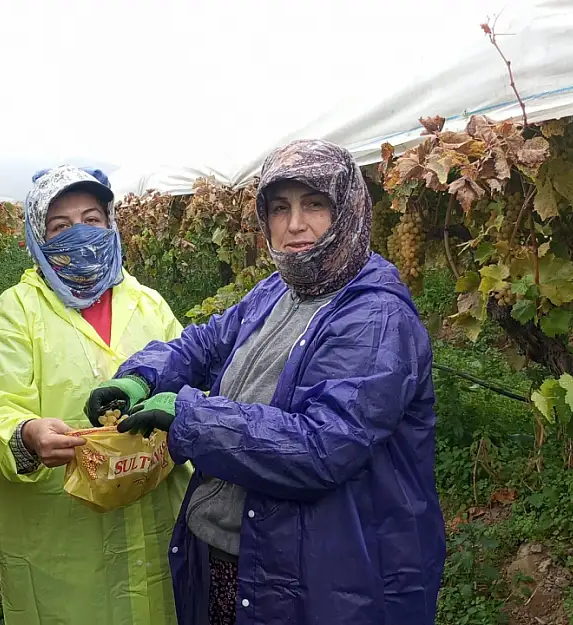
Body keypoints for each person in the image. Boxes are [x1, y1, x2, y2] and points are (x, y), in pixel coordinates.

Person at [85, 140, 446, 625]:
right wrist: (140, 378)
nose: (295, 224)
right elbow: (207, 343)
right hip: (244, 557)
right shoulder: (281, 289)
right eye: (280, 208)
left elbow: (321, 447)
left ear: (351, 210)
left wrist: (190, 416)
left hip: (322, 578)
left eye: (315, 204)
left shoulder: (375, 318)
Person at [0, 165, 192, 625]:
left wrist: (182, 408)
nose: (80, 235)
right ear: (37, 237)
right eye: (60, 226)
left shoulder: (149, 305)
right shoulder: (13, 315)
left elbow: (190, 379)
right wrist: (26, 435)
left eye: (92, 219)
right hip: (63, 543)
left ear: (111, 224)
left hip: (155, 519)